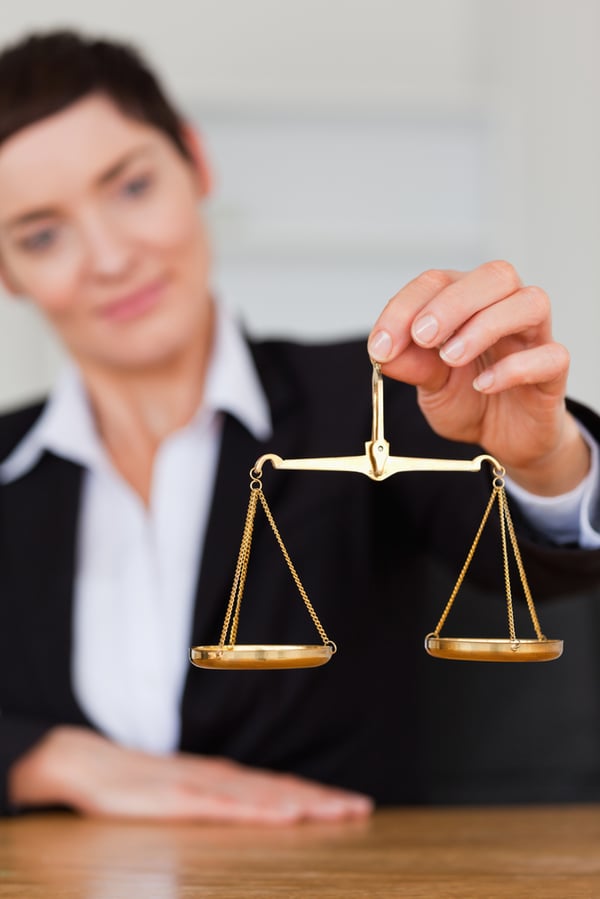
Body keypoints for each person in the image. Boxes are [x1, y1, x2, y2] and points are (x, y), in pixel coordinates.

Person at [0, 30, 599, 824]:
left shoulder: (375, 398)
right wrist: (48, 758)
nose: (109, 257)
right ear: (8, 271)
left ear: (195, 164)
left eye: (131, 187)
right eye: (42, 234)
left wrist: (547, 458)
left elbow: (540, 561)